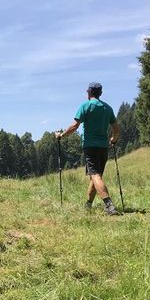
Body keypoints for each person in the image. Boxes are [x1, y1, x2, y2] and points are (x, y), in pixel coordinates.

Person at [55, 82, 120, 215]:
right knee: (96, 176)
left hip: (90, 146)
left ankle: (109, 205)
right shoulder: (107, 108)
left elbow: (74, 126)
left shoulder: (85, 106)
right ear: (100, 93)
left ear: (89, 92)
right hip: (103, 147)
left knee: (95, 175)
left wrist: (61, 135)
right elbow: (116, 129)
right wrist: (113, 139)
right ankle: (88, 205)